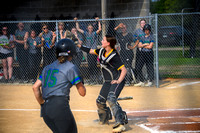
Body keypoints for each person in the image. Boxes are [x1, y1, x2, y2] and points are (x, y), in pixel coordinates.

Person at [32, 39, 86, 133]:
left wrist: (42, 104)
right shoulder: (70, 67)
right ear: (72, 52)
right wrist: (81, 82)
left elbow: (35, 87)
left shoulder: (47, 68)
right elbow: (82, 93)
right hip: (60, 107)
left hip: (46, 111)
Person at [77, 35, 128, 132]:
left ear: (108, 43)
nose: (101, 40)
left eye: (103, 40)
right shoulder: (101, 51)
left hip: (117, 80)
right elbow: (91, 51)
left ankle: (120, 122)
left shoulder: (114, 55)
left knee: (111, 98)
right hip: (108, 82)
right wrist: (79, 46)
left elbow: (124, 70)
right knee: (100, 101)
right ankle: (104, 120)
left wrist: (118, 81)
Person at [75, 17, 101, 84]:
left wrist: (98, 21)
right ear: (87, 28)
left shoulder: (94, 33)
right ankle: (91, 78)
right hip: (88, 51)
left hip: (94, 50)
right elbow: (78, 29)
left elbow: (99, 29)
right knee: (89, 65)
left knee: (94, 65)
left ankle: (95, 79)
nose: (90, 29)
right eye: (89, 28)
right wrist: (76, 22)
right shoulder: (86, 33)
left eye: (91, 28)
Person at [129, 19, 146, 86]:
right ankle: (138, 79)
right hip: (139, 49)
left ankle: (145, 79)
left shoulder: (147, 31)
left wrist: (142, 43)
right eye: (142, 23)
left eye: (144, 23)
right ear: (140, 24)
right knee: (137, 65)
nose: (143, 24)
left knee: (143, 65)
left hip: (145, 50)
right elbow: (134, 39)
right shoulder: (137, 31)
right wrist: (138, 42)